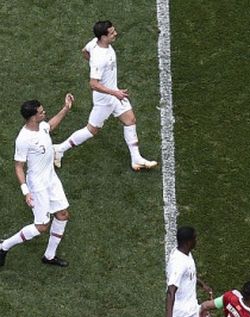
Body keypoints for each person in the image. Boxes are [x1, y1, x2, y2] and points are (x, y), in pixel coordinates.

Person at [53, 20, 157, 172]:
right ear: (103, 37)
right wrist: (115, 92)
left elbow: (84, 51)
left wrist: (113, 90)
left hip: (114, 95)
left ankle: (136, 159)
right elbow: (93, 84)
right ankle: (59, 149)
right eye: (112, 32)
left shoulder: (94, 43)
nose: (116, 33)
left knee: (130, 120)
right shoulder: (100, 58)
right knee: (91, 131)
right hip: (105, 100)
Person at [0, 95, 75, 268]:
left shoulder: (41, 126)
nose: (44, 113)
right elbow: (18, 166)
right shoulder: (23, 139)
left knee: (62, 215)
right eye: (41, 112)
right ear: (33, 117)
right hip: (38, 185)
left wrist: (66, 108)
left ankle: (49, 256)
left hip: (51, 179)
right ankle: (4, 246)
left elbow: (51, 125)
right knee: (41, 227)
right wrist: (26, 192)